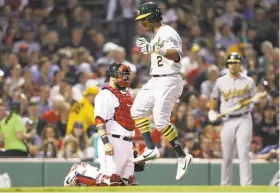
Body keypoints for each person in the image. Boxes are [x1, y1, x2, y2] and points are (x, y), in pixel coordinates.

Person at [131, 1, 193, 180]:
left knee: (160, 122)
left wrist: (156, 48)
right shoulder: (156, 34)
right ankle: (151, 148)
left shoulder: (168, 32)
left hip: (169, 79)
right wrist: (153, 47)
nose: (142, 23)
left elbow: (176, 55)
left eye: (144, 19)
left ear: (152, 17)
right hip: (155, 79)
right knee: (137, 110)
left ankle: (182, 156)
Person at [68, 63, 143, 186]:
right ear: (112, 77)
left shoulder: (127, 95)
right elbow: (99, 120)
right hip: (112, 140)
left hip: (127, 142)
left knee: (127, 183)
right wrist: (106, 143)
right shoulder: (105, 94)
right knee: (109, 181)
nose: (126, 78)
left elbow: (129, 122)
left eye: (127, 75)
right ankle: (78, 172)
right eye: (122, 75)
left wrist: (132, 146)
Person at [208, 52, 258, 186]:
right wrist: (212, 110)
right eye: (230, 63)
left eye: (235, 63)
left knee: (244, 153)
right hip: (227, 119)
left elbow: (256, 99)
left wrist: (249, 103)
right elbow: (213, 98)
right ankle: (225, 185)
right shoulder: (221, 81)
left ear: (240, 64)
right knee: (226, 155)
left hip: (244, 118)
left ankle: (246, 185)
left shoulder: (248, 81)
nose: (233, 65)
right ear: (227, 64)